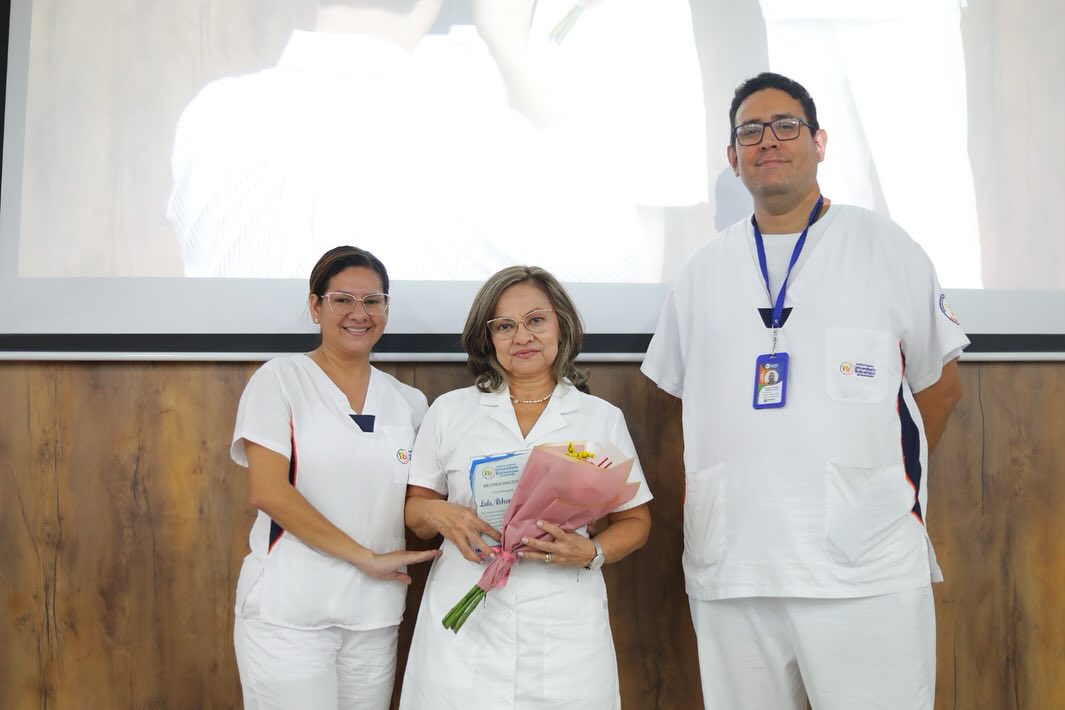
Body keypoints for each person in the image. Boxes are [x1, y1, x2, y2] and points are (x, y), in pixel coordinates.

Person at [641, 73, 968, 710]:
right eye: (750, 132)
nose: (769, 141)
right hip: (735, 566)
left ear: (819, 142)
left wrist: (874, 492)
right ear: (733, 159)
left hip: (864, 566)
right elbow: (682, 399)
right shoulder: (699, 273)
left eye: (786, 125)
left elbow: (942, 389)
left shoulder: (885, 248)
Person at [400, 266, 653, 709]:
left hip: (565, 621)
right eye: (505, 326)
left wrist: (593, 552)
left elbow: (635, 520)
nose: (523, 337)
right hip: (467, 611)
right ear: (488, 338)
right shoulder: (450, 411)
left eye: (536, 320)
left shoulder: (599, 418)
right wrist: (438, 514)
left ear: (560, 325)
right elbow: (417, 513)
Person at [229, 245, 440, 710]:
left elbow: (420, 502)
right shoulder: (280, 380)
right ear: (315, 306)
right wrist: (364, 557)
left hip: (375, 614)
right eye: (343, 299)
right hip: (290, 612)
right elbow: (268, 493)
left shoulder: (409, 401)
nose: (359, 313)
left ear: (387, 309)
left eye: (373, 301)